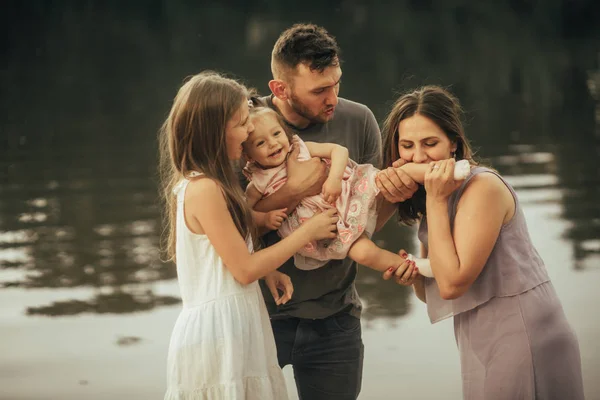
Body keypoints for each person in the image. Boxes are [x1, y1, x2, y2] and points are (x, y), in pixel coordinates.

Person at [245, 24, 417, 400]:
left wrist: (393, 195)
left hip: (336, 317)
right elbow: (230, 227)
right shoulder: (244, 128)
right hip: (258, 317)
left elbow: (367, 215)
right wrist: (295, 191)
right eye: (319, 90)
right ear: (280, 89)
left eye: (337, 84)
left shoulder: (359, 120)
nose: (333, 98)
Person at [379, 85, 585, 399]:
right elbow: (438, 284)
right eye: (406, 146)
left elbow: (453, 285)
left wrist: (434, 200)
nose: (417, 156)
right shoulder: (436, 193)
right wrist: (415, 277)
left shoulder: (482, 188)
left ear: (453, 144)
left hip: (524, 331)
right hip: (479, 337)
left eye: (430, 143)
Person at [158, 71, 339, 400]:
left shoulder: (208, 184)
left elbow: (226, 253)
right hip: (219, 335)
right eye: (242, 124)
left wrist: (269, 270)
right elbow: (244, 269)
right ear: (215, 130)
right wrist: (307, 233)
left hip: (236, 323)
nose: (248, 132)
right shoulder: (205, 189)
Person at [243, 104, 417, 273]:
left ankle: (430, 171)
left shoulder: (300, 148)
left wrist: (334, 178)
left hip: (346, 194)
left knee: (388, 178)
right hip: (327, 224)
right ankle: (413, 267)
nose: (273, 143)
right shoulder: (258, 180)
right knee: (363, 254)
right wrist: (265, 218)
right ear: (249, 156)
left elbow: (339, 151)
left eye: (276, 133)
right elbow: (244, 214)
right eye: (260, 143)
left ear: (285, 132)